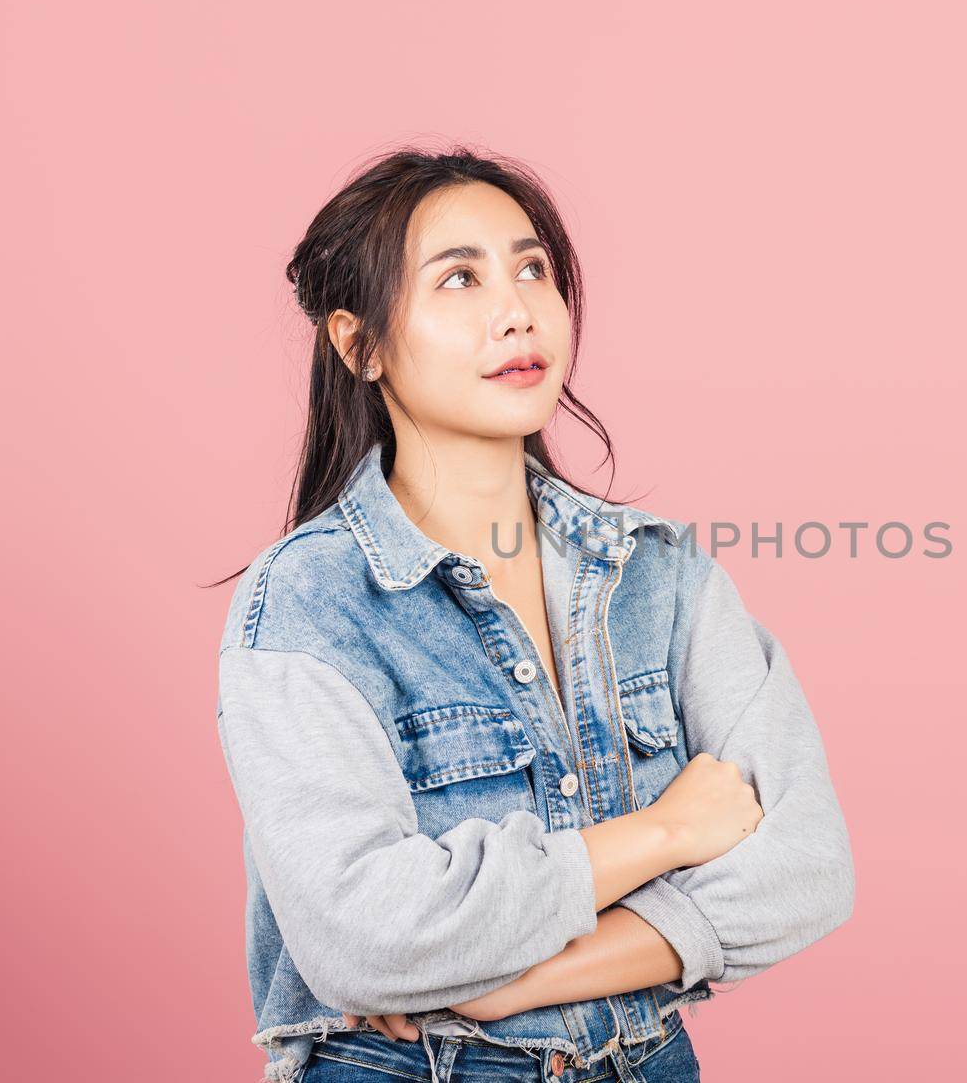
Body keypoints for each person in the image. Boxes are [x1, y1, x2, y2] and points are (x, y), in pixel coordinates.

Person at [211, 145, 856, 1083]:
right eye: (460, 278)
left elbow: (809, 865)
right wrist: (667, 833)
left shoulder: (657, 573)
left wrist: (511, 981)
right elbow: (364, 936)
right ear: (361, 345)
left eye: (532, 269)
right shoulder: (311, 602)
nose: (515, 309)